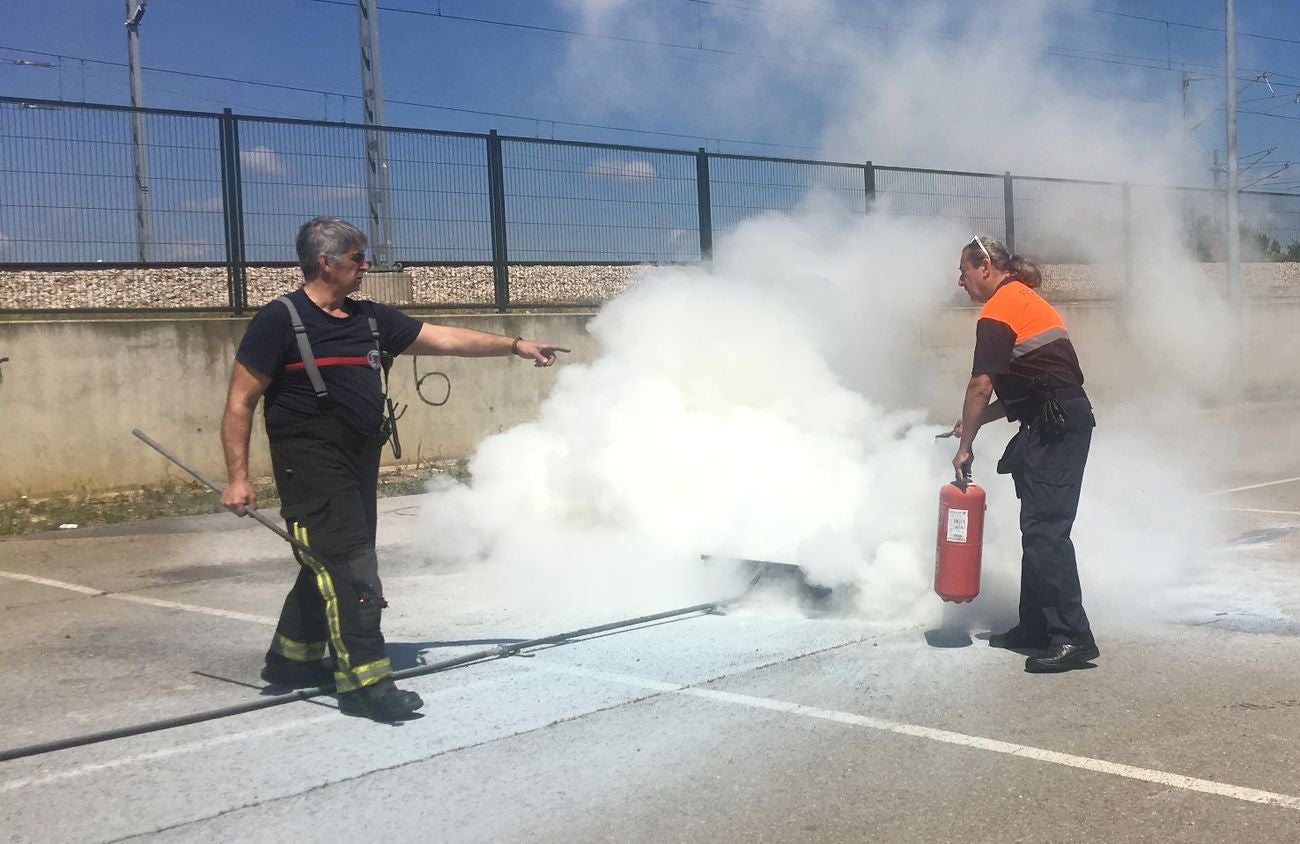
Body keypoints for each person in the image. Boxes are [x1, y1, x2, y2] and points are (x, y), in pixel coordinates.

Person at [220, 216, 570, 720]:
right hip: (311, 467)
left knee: (325, 563)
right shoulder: (280, 321)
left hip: (358, 462)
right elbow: (240, 402)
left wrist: (516, 345)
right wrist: (237, 477)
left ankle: (291, 661)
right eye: (358, 259)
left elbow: (445, 338)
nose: (366, 267)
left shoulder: (370, 319)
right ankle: (366, 685)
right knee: (352, 571)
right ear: (327, 262)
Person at [950, 235, 1099, 673]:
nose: (959, 281)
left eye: (963, 271)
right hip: (1057, 417)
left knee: (1045, 532)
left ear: (984, 268)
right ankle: (1034, 626)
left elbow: (981, 384)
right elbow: (1037, 381)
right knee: (1037, 530)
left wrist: (964, 447)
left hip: (1054, 425)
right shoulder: (1023, 298)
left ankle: (1072, 637)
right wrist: (975, 422)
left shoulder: (996, 311)